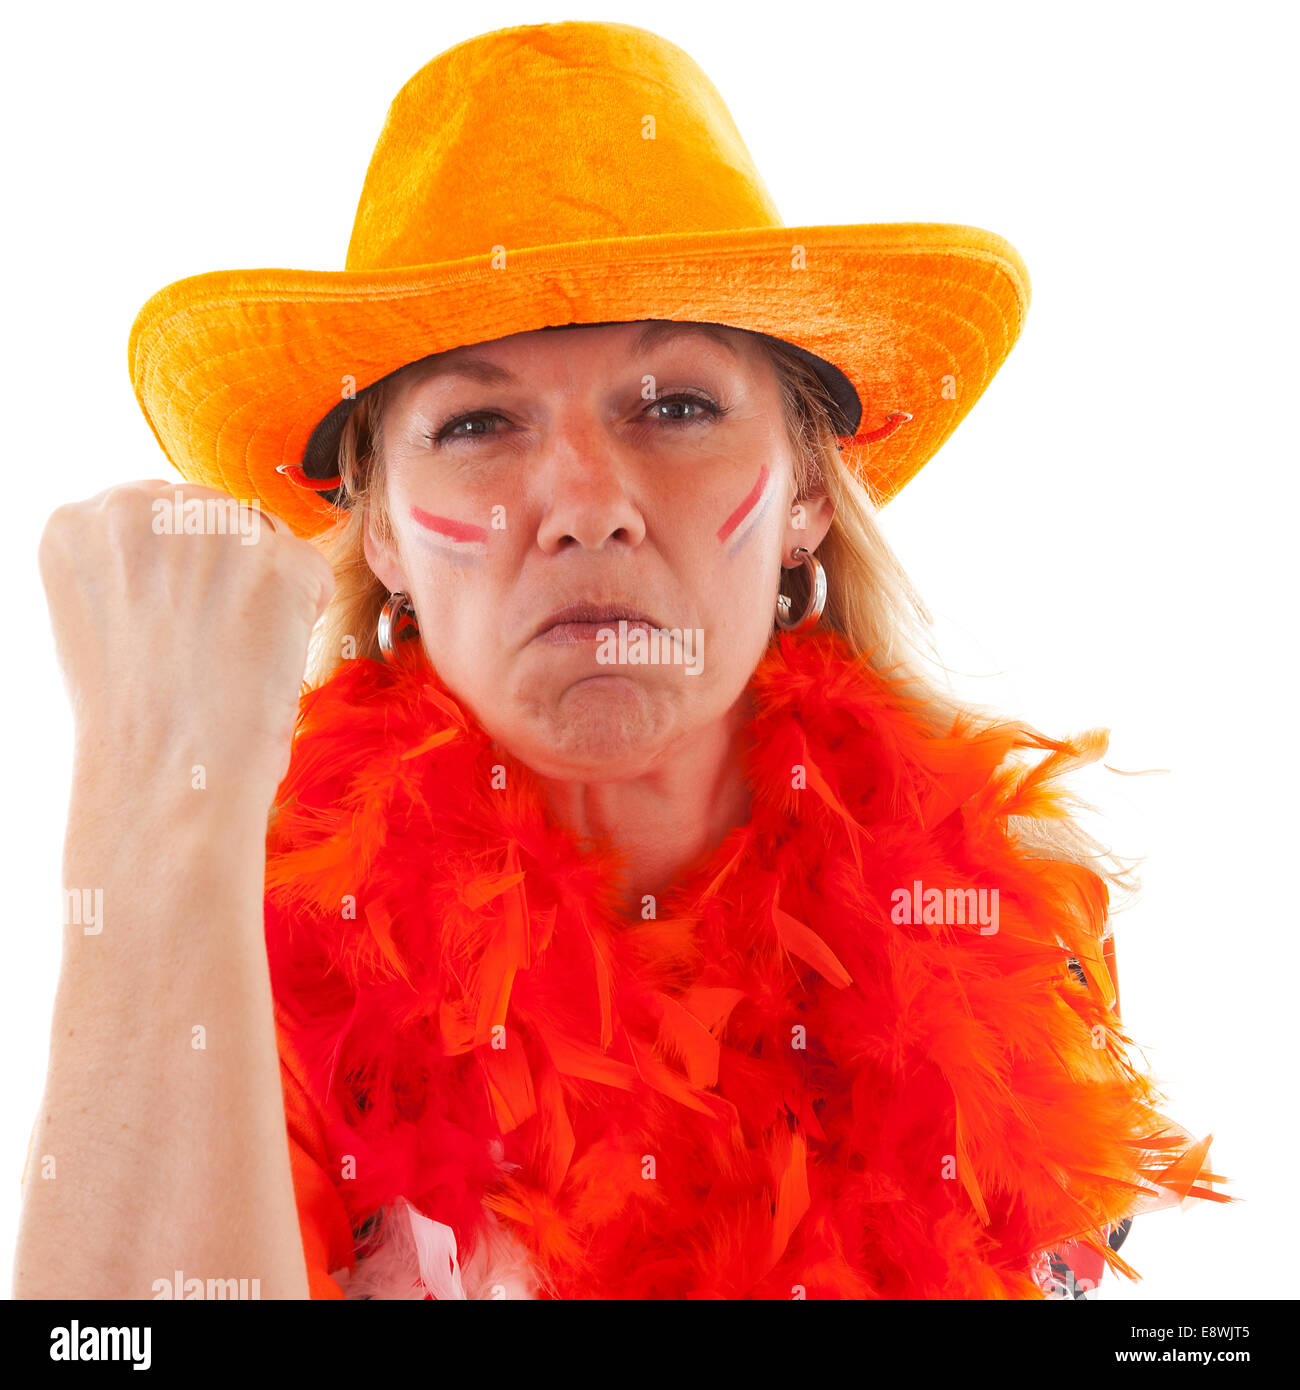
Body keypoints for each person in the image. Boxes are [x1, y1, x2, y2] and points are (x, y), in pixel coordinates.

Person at [17, 19, 1229, 1301]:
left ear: (808, 493)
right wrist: (153, 807)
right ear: (375, 532)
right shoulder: (252, 949)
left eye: (676, 407)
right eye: (480, 422)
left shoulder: (1002, 938)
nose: (586, 501)